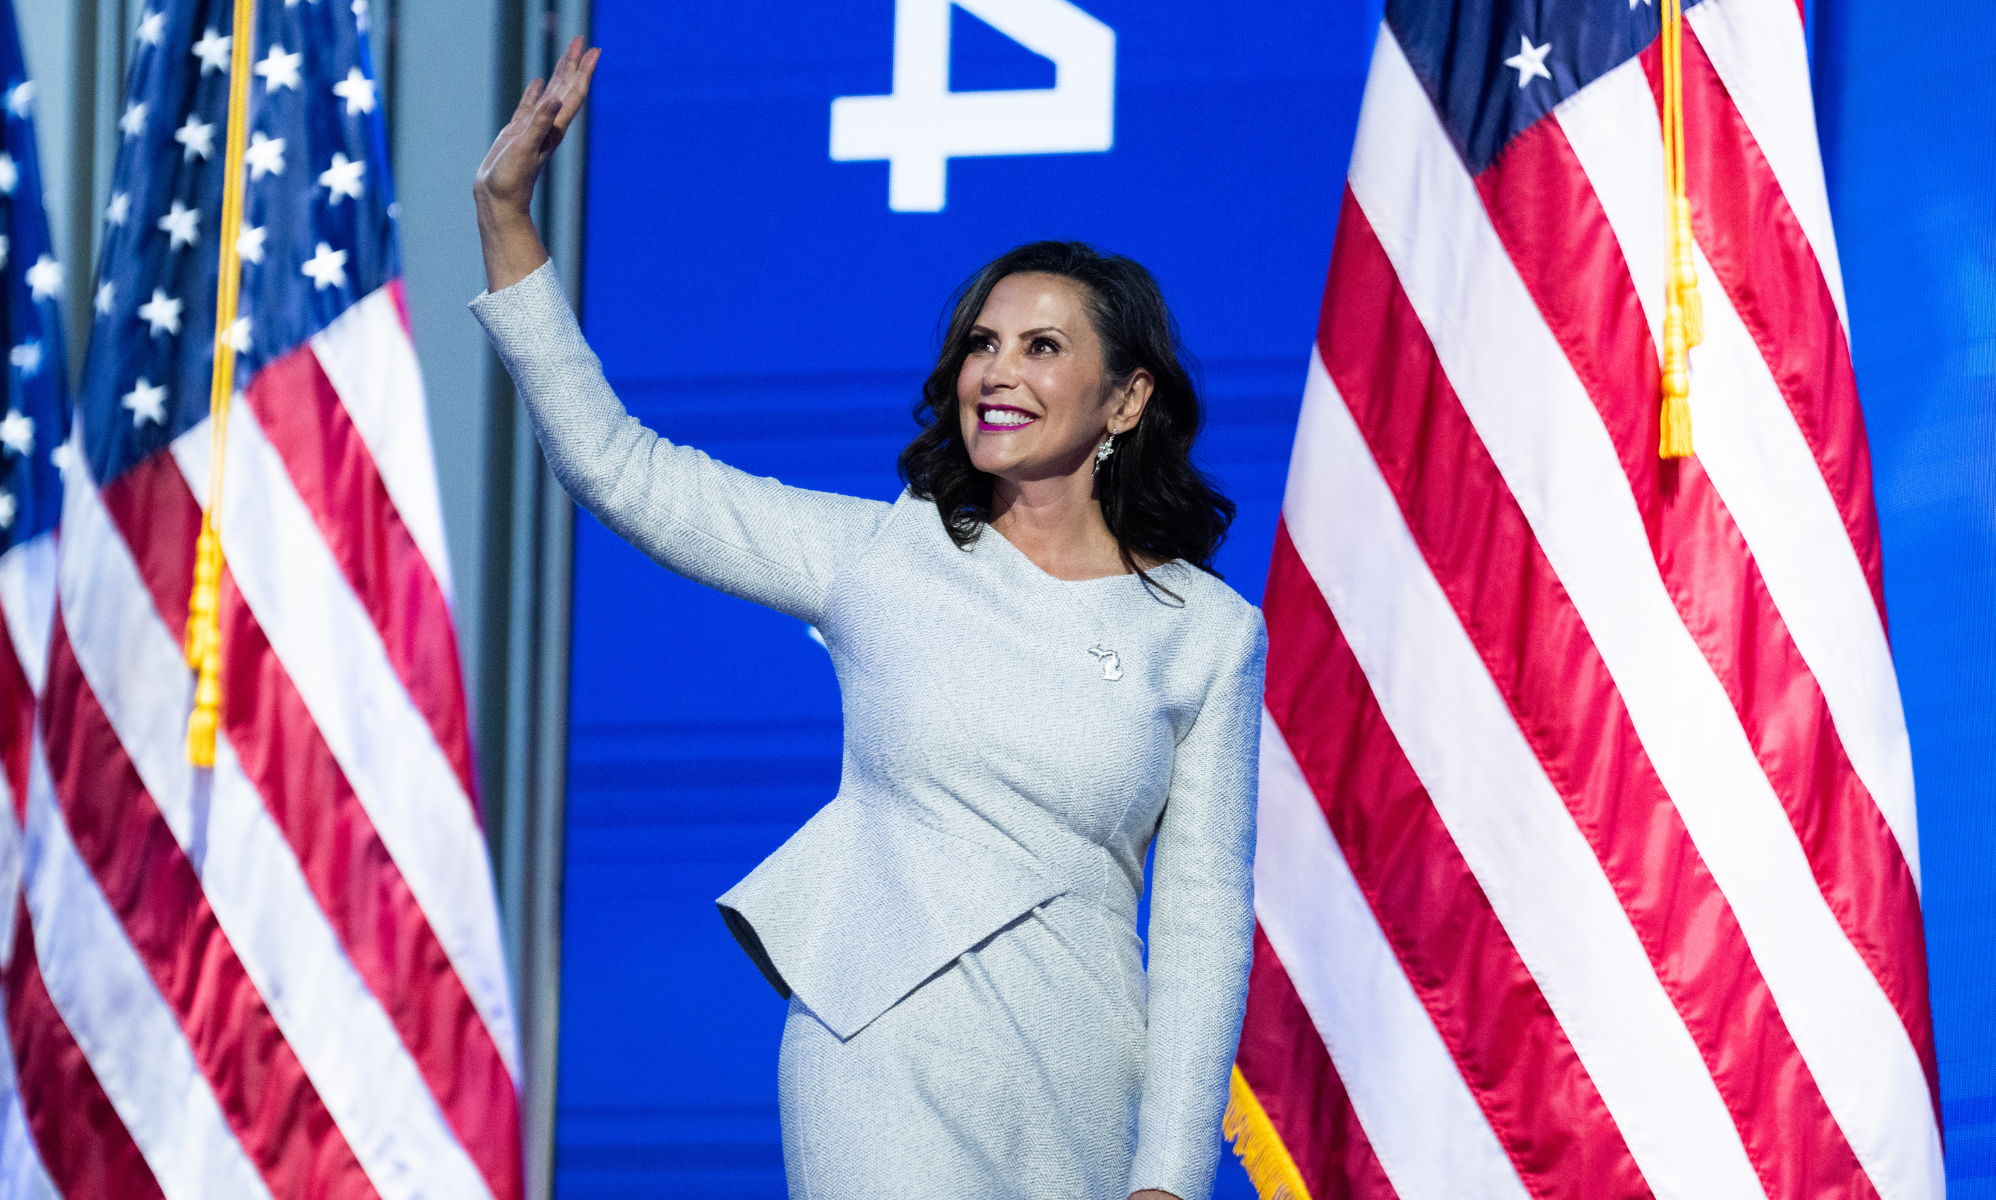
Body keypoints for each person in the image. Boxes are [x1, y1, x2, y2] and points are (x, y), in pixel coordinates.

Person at [470, 38, 1264, 1200]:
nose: (998, 371)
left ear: (1125, 398)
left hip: (1081, 1085)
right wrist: (505, 217)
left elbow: (1201, 923)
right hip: (875, 1049)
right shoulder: (887, 556)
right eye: (982, 343)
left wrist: (1170, 1174)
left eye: (1043, 347)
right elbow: (618, 467)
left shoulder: (1206, 631)